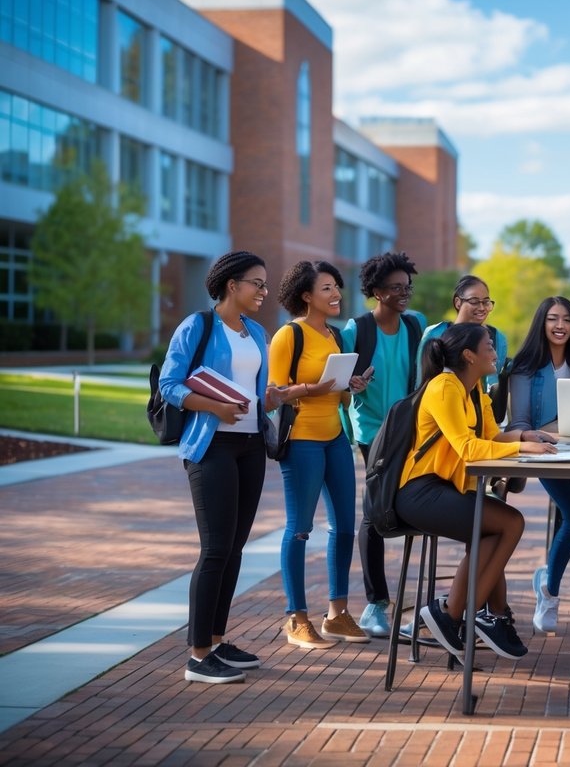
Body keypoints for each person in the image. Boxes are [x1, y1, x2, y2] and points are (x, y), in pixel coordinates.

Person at [160, 251, 287, 684]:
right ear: (231, 285)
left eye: (266, 284)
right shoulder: (198, 326)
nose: (264, 292)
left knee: (234, 549)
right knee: (214, 549)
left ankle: (216, 641)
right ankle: (197, 657)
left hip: (251, 445)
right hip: (211, 445)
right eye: (257, 283)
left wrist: (293, 393)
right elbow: (170, 386)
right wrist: (215, 406)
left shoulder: (256, 332)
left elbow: (259, 396)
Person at [404, 324, 558, 661]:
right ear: (469, 355)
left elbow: (491, 438)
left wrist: (524, 438)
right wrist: (526, 451)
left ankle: (459, 615)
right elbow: (467, 448)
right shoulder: (444, 386)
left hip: (448, 488)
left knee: (498, 528)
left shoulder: (476, 391)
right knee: (509, 523)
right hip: (421, 491)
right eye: (488, 346)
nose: (495, 352)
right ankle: (466, 616)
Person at [269, 260, 372, 650]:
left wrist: (352, 386)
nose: (336, 295)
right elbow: (272, 394)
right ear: (306, 295)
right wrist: (308, 389)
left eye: (337, 287)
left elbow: (340, 394)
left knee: (345, 526)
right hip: (302, 440)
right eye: (326, 288)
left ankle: (337, 614)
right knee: (299, 528)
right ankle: (296, 618)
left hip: (335, 438)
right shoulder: (288, 336)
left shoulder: (335, 336)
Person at [339, 251, 426, 639]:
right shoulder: (355, 330)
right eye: (396, 288)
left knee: (403, 502)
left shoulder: (415, 326)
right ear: (376, 291)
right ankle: (376, 604)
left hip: (406, 427)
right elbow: (339, 384)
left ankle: (402, 603)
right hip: (371, 429)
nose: (404, 294)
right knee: (376, 506)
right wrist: (351, 384)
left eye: (408, 287)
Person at [506, 297, 570, 636]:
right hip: (548, 453)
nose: (560, 326)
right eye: (552, 319)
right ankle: (550, 591)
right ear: (541, 323)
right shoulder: (525, 366)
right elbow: (521, 424)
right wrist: (556, 428)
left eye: (567, 320)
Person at [416, 275, 508, 389]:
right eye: (474, 301)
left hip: (481, 405)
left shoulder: (498, 338)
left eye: (486, 302)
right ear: (458, 302)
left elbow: (493, 384)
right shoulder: (435, 333)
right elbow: (421, 383)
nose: (482, 308)